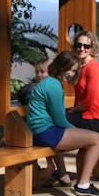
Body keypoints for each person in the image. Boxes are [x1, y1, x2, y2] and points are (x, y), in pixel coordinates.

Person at [26, 50, 99, 196]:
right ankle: (83, 185)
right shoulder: (53, 85)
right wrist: (79, 132)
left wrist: (80, 134)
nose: (71, 73)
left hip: (40, 131)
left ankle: (84, 182)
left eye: (74, 70)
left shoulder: (50, 82)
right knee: (96, 139)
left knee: (89, 139)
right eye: (69, 69)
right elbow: (60, 120)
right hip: (46, 132)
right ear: (61, 66)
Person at [18, 59, 70, 188]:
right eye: (37, 72)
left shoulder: (46, 88)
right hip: (36, 131)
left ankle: (50, 174)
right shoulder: (38, 89)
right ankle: (54, 174)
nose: (39, 75)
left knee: (53, 141)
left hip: (40, 130)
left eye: (42, 71)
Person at [68, 30, 99, 185]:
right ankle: (80, 181)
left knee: (50, 127)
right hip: (83, 114)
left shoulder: (93, 68)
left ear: (92, 48)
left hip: (91, 117)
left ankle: (78, 181)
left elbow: (89, 101)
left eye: (86, 46)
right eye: (79, 45)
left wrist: (71, 111)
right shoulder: (80, 66)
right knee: (82, 151)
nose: (82, 48)